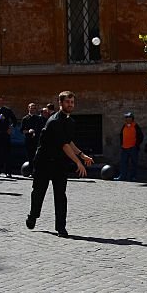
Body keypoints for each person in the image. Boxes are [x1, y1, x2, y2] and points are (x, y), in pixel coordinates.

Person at [26, 91, 94, 237]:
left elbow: (69, 141)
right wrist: (78, 163)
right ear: (60, 103)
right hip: (44, 162)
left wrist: (82, 155)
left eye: (72, 102)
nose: (70, 104)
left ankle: (61, 227)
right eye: (67, 102)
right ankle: (33, 216)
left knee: (60, 195)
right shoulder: (54, 121)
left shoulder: (70, 121)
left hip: (59, 164)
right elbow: (64, 145)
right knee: (38, 193)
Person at [118, 112, 143, 181]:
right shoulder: (124, 126)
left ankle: (133, 177)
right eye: (126, 118)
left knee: (134, 163)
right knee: (123, 163)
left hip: (133, 148)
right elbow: (121, 135)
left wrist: (136, 145)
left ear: (132, 119)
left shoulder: (135, 126)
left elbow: (141, 136)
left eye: (129, 118)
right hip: (124, 148)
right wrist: (122, 144)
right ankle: (122, 176)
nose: (128, 119)